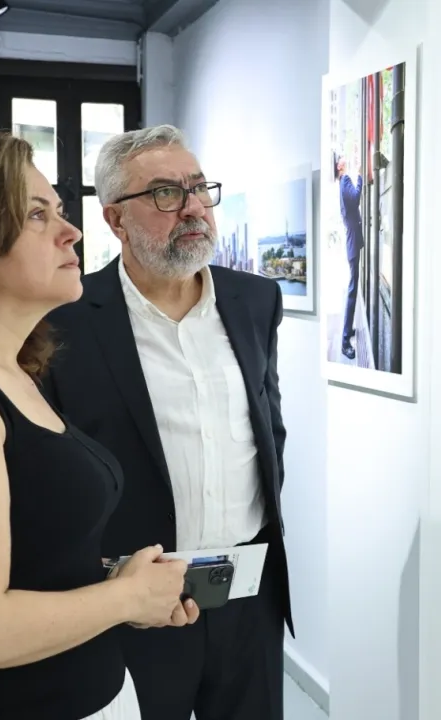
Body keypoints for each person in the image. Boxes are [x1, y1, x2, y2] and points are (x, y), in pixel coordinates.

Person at [40, 125, 292, 720]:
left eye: (199, 188)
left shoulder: (255, 301)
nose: (194, 207)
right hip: (132, 602)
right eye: (165, 194)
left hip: (246, 591)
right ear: (115, 219)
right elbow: (54, 474)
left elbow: (269, 428)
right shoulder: (65, 318)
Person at [0, 131, 193, 719]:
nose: (72, 232)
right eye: (37, 215)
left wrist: (128, 589)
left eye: (60, 210)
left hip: (95, 688)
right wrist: (127, 597)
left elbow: (39, 556)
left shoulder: (16, 373)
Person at [335, 150, 364, 361]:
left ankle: (347, 331)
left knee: (353, 289)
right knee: (352, 290)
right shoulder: (345, 180)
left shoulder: (342, 183)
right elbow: (355, 198)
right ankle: (345, 341)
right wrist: (360, 174)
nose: (344, 157)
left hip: (353, 242)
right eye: (341, 158)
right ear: (340, 166)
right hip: (352, 244)